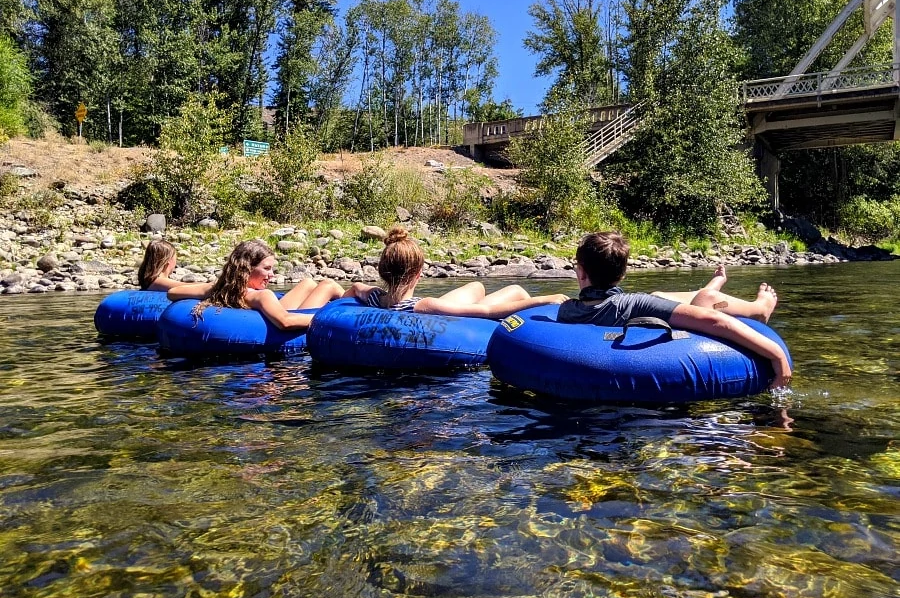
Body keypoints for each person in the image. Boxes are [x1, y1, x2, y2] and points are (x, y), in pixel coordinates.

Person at [559, 231, 792, 388]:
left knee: (659, 297)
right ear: (622, 274)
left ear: (580, 273)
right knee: (706, 300)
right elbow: (715, 321)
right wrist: (777, 355)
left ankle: (710, 288)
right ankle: (759, 308)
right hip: (668, 314)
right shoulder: (633, 304)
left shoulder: (567, 311)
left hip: (640, 309)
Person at [343, 226, 568, 318]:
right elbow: (487, 311)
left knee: (477, 286)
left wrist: (341, 308)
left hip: (391, 300)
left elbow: (355, 288)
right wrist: (545, 299)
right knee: (516, 289)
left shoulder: (373, 296)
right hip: (445, 309)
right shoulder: (424, 305)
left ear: (382, 272)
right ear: (418, 274)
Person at [167, 239, 344, 330]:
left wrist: (211, 287)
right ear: (247, 268)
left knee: (308, 282)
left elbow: (172, 292)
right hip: (279, 319)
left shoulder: (219, 289)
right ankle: (361, 307)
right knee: (328, 285)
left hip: (269, 310)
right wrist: (329, 319)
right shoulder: (260, 295)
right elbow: (286, 322)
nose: (272, 275)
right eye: (266, 268)